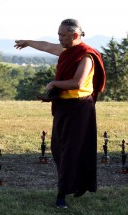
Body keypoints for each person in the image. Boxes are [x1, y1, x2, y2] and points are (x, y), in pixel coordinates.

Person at [14, 18, 106, 209]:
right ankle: (76, 184)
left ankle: (62, 195)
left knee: (71, 151)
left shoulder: (86, 56)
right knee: (58, 149)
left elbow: (77, 83)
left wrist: (53, 84)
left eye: (63, 35)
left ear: (75, 35)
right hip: (63, 108)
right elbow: (46, 46)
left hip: (80, 108)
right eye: (58, 35)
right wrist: (28, 42)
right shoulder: (67, 50)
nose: (60, 39)